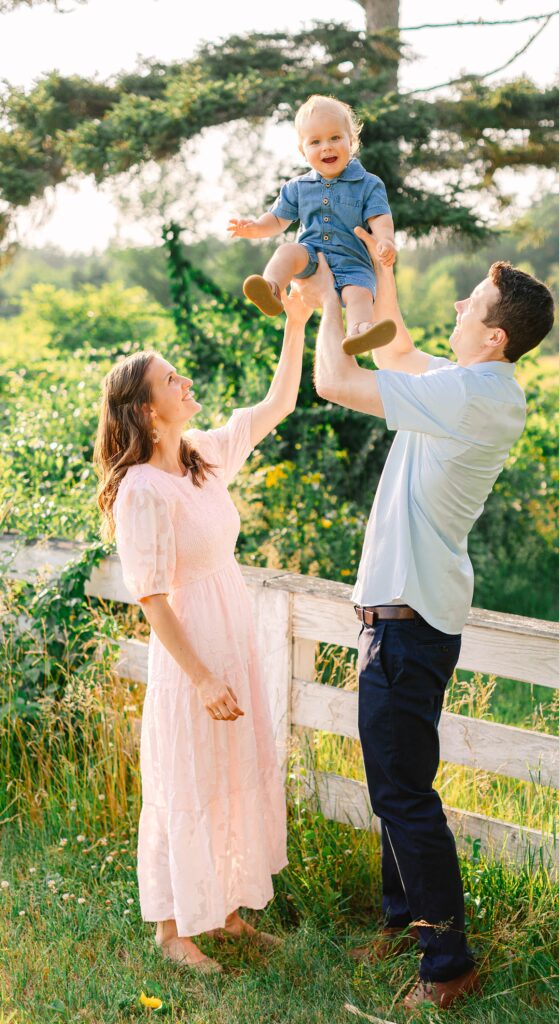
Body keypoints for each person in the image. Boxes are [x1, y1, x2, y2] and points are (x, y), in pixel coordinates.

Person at [296, 233, 554, 1012]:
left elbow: (335, 381)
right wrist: (379, 272)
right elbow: (400, 346)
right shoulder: (471, 382)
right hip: (407, 615)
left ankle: (447, 965)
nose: (456, 305)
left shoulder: (470, 394)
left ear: (493, 335)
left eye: (469, 302)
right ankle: (402, 920)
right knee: (396, 786)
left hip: (406, 622)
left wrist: (322, 306)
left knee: (403, 794)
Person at [93, 288, 313, 973]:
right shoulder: (140, 491)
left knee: (228, 774)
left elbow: (277, 405)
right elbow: (151, 598)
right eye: (171, 379)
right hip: (190, 653)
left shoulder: (200, 459)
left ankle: (222, 912)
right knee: (183, 780)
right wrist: (204, 677)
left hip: (232, 631)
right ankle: (172, 930)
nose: (186, 383)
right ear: (144, 408)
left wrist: (298, 322)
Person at [228, 93, 398, 356]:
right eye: (315, 141)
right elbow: (276, 220)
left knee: (360, 294)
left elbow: (380, 218)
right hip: (311, 256)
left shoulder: (368, 183)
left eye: (335, 138)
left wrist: (385, 242)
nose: (326, 147)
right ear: (303, 150)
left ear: (350, 142)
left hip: (354, 264)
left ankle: (360, 331)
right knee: (286, 251)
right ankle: (271, 288)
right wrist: (255, 228)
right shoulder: (297, 187)